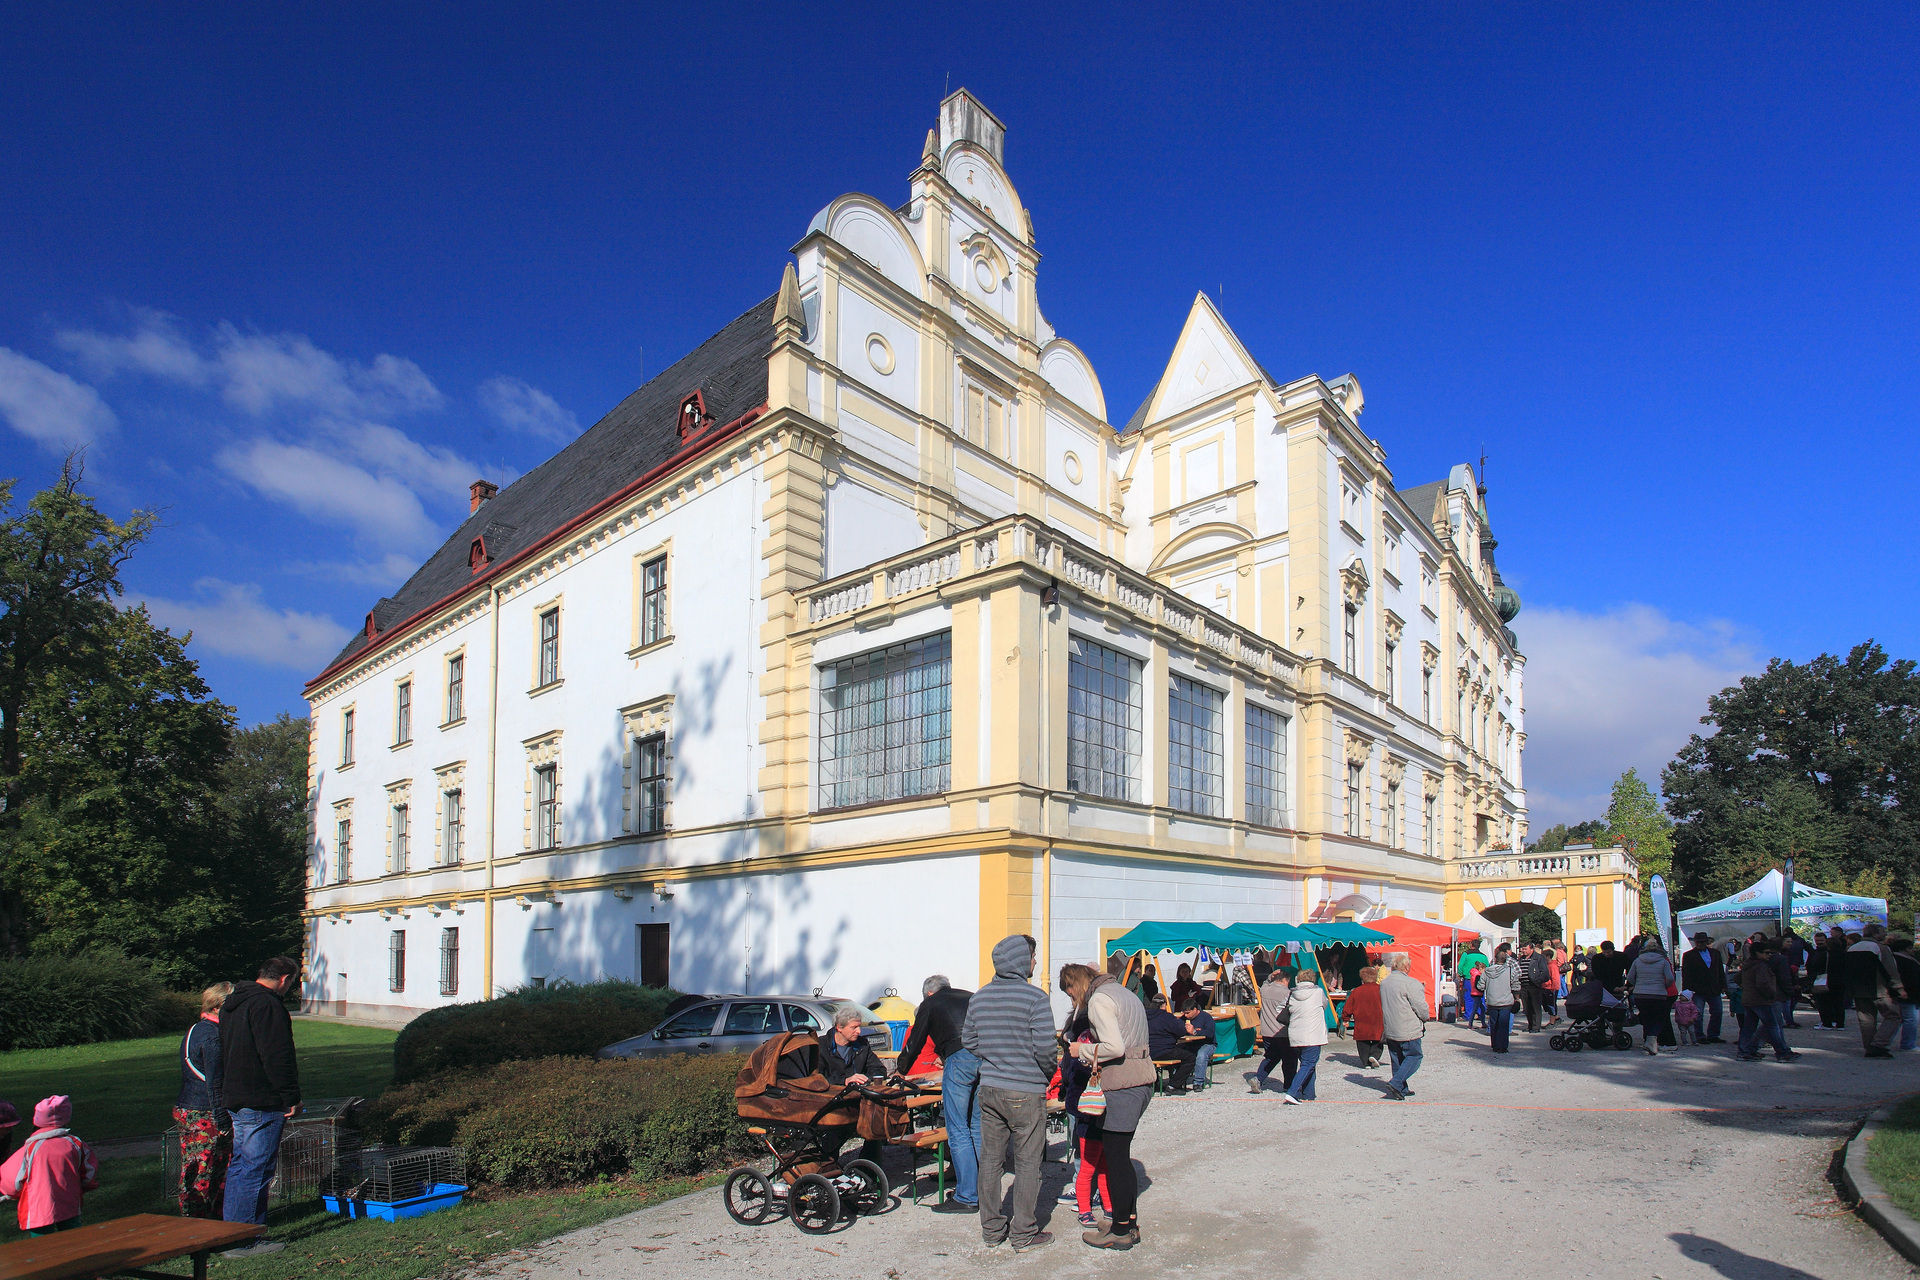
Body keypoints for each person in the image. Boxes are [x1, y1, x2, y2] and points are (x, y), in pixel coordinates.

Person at [962, 935, 1058, 1253]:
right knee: (1028, 1163)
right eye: (1032, 956)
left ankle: (991, 1230)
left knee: (990, 1161)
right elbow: (1046, 1049)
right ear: (1020, 961)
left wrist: (994, 1057)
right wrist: (1041, 1075)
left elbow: (969, 1041)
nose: (1034, 962)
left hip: (989, 1088)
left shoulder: (979, 998)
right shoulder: (1035, 998)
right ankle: (1024, 1233)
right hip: (1026, 1089)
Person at [1062, 958, 1153, 1250]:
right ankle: (1127, 1223)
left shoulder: (1100, 1000)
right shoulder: (1124, 992)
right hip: (1141, 1079)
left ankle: (1120, 1231)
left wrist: (1081, 1049)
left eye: (1070, 992)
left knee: (1116, 1162)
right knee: (1121, 1159)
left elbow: (1114, 1047)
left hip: (1122, 1084)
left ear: (1077, 985)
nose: (1073, 999)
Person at [219, 955, 302, 1257]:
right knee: (256, 1169)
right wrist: (290, 1096)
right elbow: (277, 1055)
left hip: (237, 1095)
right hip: (260, 1098)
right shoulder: (267, 1005)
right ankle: (245, 1239)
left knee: (241, 1167)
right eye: (291, 982)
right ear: (284, 979)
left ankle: (232, 1234)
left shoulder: (234, 1002)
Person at [899, 974, 978, 1214]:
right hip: (987, 1059)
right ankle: (984, 1190)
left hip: (959, 1058)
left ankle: (967, 1196)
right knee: (978, 1126)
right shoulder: (971, 997)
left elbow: (915, 1041)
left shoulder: (930, 1004)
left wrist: (901, 1069)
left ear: (929, 994)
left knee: (958, 1128)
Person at [1055, 965, 1110, 1231]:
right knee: (1095, 1158)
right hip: (1084, 1091)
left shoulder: (1089, 1011)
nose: (1069, 996)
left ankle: (1089, 1199)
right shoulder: (1085, 1009)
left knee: (1091, 1158)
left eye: (1069, 990)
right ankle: (1094, 1200)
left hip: (1086, 1093)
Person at [176, 981, 234, 1218]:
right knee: (204, 1170)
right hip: (204, 1112)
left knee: (200, 1167)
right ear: (219, 1006)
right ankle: (199, 1226)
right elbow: (215, 1082)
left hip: (191, 1107)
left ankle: (206, 1221)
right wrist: (222, 1119)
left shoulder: (197, 1029)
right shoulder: (211, 1036)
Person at [0, 1097, 97, 1236]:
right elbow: (88, 1171)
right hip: (69, 1203)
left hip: (37, 1208)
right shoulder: (76, 1144)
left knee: (42, 1246)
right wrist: (82, 1185)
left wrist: (12, 1193)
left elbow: (11, 1179)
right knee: (74, 1240)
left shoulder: (30, 1149)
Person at [819, 1006, 890, 1164]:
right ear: (839, 1027)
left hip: (858, 1100)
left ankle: (865, 1169)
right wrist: (845, 1080)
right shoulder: (821, 1046)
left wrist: (866, 1078)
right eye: (854, 1027)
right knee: (836, 1127)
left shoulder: (862, 1045)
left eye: (859, 1027)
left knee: (877, 1120)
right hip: (831, 1103)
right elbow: (817, 1079)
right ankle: (827, 1166)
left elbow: (879, 1069)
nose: (858, 1031)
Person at [1849, 923, 1908, 1059]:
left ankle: (1870, 1047)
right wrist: (1899, 988)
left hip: (1858, 990)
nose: (1885, 934)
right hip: (1879, 989)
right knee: (1894, 1016)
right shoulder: (1880, 948)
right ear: (1875, 934)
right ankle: (1879, 1045)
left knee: (1866, 1020)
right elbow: (1890, 969)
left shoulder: (1852, 948)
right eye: (1883, 932)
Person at [1736, 940, 1797, 1062]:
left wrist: (1748, 988)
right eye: (1766, 953)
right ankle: (1782, 1053)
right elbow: (1763, 984)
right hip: (1761, 1001)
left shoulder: (1748, 965)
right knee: (1772, 1027)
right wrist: (1771, 994)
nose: (1769, 955)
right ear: (1758, 953)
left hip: (1749, 1000)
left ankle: (1745, 1051)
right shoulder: (1761, 966)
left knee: (1749, 1027)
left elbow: (1737, 978)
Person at [1379, 954, 1429, 1099]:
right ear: (1406, 966)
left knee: (1397, 1059)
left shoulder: (1385, 983)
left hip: (1390, 1026)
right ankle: (1396, 1083)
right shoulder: (1411, 983)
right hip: (1407, 1027)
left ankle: (1401, 1088)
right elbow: (1421, 1007)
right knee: (1414, 1056)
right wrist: (1425, 1018)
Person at [1279, 971, 1328, 1105]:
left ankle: (1309, 1094)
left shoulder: (1292, 993)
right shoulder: (1318, 993)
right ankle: (1292, 1092)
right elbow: (1325, 1005)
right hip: (1312, 1034)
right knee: (1309, 1063)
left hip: (1295, 1034)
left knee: (1307, 1064)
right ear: (1313, 980)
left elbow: (1280, 1008)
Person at [1626, 936, 1678, 1054]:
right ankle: (1652, 1039)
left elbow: (1630, 977)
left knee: (1646, 1018)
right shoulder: (1663, 961)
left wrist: (1637, 984)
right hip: (1658, 993)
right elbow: (1670, 978)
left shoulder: (1638, 960)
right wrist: (1664, 985)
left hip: (1640, 994)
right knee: (1660, 1019)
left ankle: (1650, 1043)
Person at [1247, 968, 1295, 1093]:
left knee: (1270, 1057)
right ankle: (1289, 1086)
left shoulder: (1265, 990)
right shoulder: (1288, 993)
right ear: (1285, 980)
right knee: (1289, 1060)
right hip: (1282, 1032)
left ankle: (1258, 1078)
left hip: (1267, 1031)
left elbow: (1265, 983)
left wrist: (1270, 976)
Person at [1680, 932, 1727, 1044]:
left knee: (1717, 1012)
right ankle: (1699, 1035)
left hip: (1714, 987)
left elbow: (1720, 971)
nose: (1700, 944)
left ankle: (1713, 1034)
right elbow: (1686, 973)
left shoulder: (1715, 953)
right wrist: (1686, 990)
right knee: (1698, 1013)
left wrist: (1723, 985)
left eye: (1702, 942)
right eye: (1698, 942)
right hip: (1697, 989)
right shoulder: (1688, 955)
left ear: (1706, 942)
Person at [1144, 996, 1197, 1094]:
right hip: (1164, 1051)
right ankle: (1173, 1085)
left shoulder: (1144, 1016)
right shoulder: (1166, 1017)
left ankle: (1155, 1083)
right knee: (1190, 1058)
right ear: (1164, 1005)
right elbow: (1180, 1031)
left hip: (1147, 1052)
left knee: (1176, 1054)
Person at [1480, 944, 1521, 1053]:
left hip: (1492, 1001)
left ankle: (1495, 1045)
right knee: (1503, 1024)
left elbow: (1480, 986)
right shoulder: (1510, 971)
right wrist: (1517, 998)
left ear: (1496, 959)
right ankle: (1503, 1046)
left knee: (1493, 1024)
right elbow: (1516, 985)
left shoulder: (1487, 972)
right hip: (1506, 1001)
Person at [1344, 966, 1385, 1067]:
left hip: (1361, 1019)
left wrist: (1346, 1018)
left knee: (1362, 1041)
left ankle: (1365, 1062)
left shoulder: (1356, 991)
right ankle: (1374, 1055)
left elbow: (1348, 1006)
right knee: (1378, 1038)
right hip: (1377, 1018)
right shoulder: (1381, 990)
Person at [1811, 927, 1850, 1029]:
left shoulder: (1826, 955)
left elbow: (1816, 966)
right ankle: (1840, 1024)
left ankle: (1827, 1023)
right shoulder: (1844, 955)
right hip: (1841, 981)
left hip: (1828, 980)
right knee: (1839, 1003)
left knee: (1825, 1003)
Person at [1179, 999, 1217, 1088]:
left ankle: (1198, 1082)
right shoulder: (1183, 1019)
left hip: (1207, 1043)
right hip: (1190, 1043)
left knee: (1201, 1055)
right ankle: (1177, 1081)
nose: (1186, 1015)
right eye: (1184, 1013)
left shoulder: (1206, 1017)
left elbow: (1210, 1033)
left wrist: (1195, 1032)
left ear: (1195, 1009)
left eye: (1188, 1013)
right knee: (1177, 1052)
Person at [1892, 937, 1920, 1052]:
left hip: (1901, 993)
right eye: (1910, 948)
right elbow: (1913, 979)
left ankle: (1883, 1042)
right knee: (1910, 1019)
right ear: (1905, 949)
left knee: (1898, 1019)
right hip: (1909, 994)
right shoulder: (1907, 962)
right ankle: (1907, 1044)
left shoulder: (1893, 959)